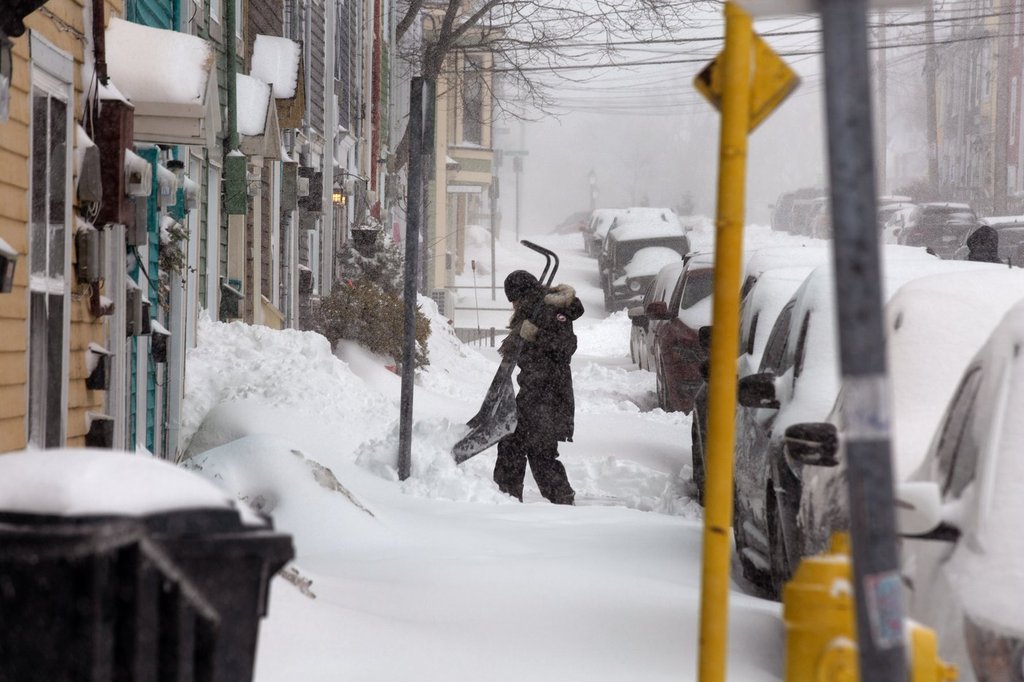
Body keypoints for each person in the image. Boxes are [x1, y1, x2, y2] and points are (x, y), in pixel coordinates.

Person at [494, 269, 584, 505]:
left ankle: (514, 498)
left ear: (521, 295)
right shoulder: (532, 311)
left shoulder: (551, 310)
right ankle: (509, 497)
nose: (512, 305)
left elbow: (566, 346)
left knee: (533, 450)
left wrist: (536, 334)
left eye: (513, 299)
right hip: (534, 392)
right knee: (522, 446)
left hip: (550, 394)